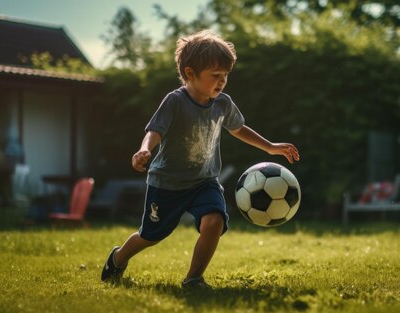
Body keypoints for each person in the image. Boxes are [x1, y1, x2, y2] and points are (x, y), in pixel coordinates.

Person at [101, 30, 300, 288]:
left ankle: (193, 279)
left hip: (204, 181)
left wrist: (270, 147)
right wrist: (144, 149)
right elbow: (155, 130)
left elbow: (239, 128)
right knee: (151, 235)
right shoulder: (175, 101)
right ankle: (117, 259)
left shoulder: (223, 104)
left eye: (225, 76)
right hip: (167, 184)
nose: (222, 81)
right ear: (190, 73)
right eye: (215, 76)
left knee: (214, 220)